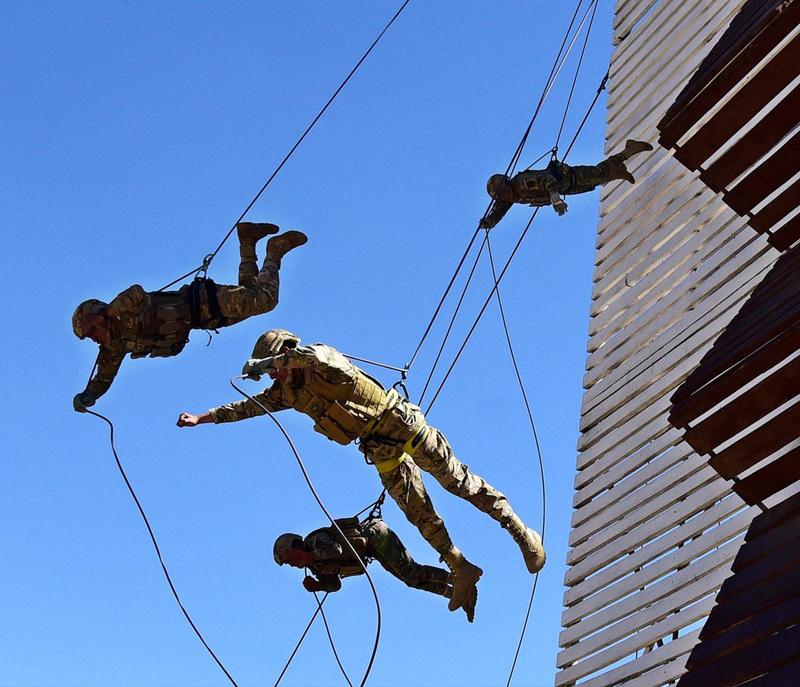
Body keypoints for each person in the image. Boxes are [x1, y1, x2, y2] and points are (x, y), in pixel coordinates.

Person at [176, 329, 546, 613]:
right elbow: (247, 408)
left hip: (401, 425)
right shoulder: (287, 393)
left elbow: (320, 356)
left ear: (286, 355)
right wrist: (202, 419)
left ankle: (520, 533)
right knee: (420, 516)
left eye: (275, 368)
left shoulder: (321, 360)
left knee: (459, 484)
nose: (275, 378)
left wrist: (284, 361)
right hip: (378, 446)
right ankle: (460, 567)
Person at [72, 223, 307, 412]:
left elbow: (136, 293)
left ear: (99, 317)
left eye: (91, 331)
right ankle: (247, 240)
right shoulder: (113, 347)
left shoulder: (123, 310)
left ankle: (274, 250)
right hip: (204, 319)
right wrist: (89, 395)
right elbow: (103, 377)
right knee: (251, 298)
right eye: (88, 337)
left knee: (264, 301)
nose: (93, 338)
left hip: (204, 300)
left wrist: (109, 311)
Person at [273, 516, 478, 622]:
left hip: (376, 536)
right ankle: (456, 593)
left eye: (289, 559)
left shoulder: (314, 541)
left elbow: (336, 548)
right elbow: (335, 585)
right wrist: (318, 585)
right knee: (411, 580)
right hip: (373, 549)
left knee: (411, 572)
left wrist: (311, 556)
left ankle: (459, 579)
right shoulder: (315, 567)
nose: (291, 564)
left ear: (293, 547)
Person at [479, 139, 653, 228]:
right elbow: (498, 210)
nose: (506, 196)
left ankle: (628, 150)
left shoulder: (522, 183)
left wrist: (555, 199)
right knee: (593, 184)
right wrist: (490, 222)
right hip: (566, 188)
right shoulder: (508, 196)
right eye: (502, 196)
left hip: (567, 177)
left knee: (599, 173)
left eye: (504, 192)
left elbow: (549, 180)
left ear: (507, 183)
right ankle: (617, 172)